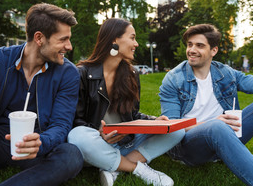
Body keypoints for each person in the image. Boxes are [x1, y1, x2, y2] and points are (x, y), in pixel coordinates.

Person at [0, 3, 84, 186]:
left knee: (71, 155)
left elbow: (61, 124)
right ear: (39, 38)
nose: (69, 46)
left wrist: (41, 142)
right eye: (63, 39)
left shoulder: (67, 73)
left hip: (33, 148)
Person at [159, 24, 253, 185]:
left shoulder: (225, 73)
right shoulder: (174, 79)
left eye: (199, 45)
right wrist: (211, 123)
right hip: (189, 148)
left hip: (226, 137)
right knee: (217, 127)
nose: (192, 50)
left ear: (213, 51)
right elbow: (172, 126)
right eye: (190, 44)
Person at [68, 18, 184, 186]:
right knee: (77, 135)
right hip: (95, 143)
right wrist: (99, 132)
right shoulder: (82, 74)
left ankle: (115, 166)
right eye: (132, 37)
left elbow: (133, 114)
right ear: (115, 39)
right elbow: (75, 121)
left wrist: (154, 122)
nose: (136, 43)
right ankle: (137, 168)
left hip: (125, 142)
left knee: (177, 131)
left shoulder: (131, 73)